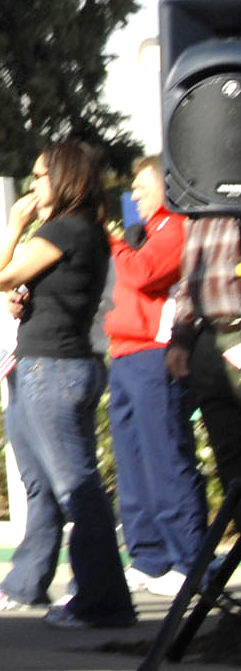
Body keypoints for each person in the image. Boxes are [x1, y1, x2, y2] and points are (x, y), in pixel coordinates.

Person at [0, 141, 136, 628]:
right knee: (43, 482)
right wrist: (29, 303)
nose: (33, 185)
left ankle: (103, 600)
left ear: (63, 179)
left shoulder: (66, 228)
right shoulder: (79, 232)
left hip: (53, 370)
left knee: (77, 488)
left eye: (40, 176)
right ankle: (28, 583)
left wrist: (13, 226)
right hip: (47, 363)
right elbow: (35, 291)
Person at [106, 156, 206, 597]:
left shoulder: (176, 227)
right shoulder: (145, 234)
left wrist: (111, 242)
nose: (134, 196)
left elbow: (143, 274)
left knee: (165, 459)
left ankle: (189, 559)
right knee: (131, 463)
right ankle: (149, 557)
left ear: (167, 186)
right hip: (125, 355)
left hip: (155, 356)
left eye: (143, 186)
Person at [164, 186, 241, 505]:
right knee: (228, 452)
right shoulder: (196, 216)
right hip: (208, 337)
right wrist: (180, 339)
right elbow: (187, 286)